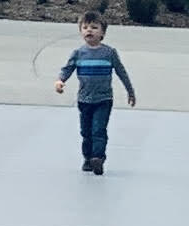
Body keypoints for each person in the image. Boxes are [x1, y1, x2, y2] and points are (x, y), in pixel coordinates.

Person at [56, 13, 136, 173]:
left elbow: (121, 72)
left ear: (102, 33)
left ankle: (98, 158)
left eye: (94, 27)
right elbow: (67, 68)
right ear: (81, 31)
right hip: (84, 100)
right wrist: (60, 80)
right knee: (86, 132)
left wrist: (130, 91)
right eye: (85, 27)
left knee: (98, 130)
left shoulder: (109, 53)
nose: (89, 30)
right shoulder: (78, 53)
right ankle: (87, 158)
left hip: (103, 99)